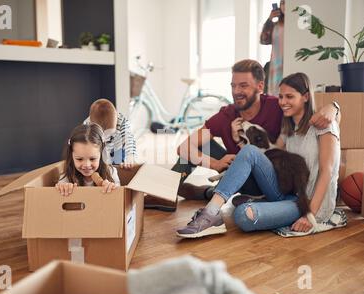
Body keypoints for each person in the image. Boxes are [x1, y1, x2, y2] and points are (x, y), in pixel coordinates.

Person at [144, 59, 339, 212]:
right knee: (201, 146)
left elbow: (311, 108)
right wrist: (215, 163)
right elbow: (184, 148)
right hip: (239, 176)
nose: (237, 91)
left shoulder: (278, 106)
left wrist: (335, 108)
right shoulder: (225, 115)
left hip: (271, 180)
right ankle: (165, 194)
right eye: (233, 85)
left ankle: (207, 193)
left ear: (260, 86)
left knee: (248, 156)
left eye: (243, 85)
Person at [176, 72, 341, 238]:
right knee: (248, 151)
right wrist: (239, 141)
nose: (283, 102)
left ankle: (245, 202)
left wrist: (309, 214)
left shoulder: (324, 125)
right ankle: (210, 212)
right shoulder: (287, 128)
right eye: (281, 97)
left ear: (305, 97)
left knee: (242, 215)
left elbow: (327, 171)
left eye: (289, 97)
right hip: (284, 193)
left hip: (306, 203)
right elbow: (269, 156)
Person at [56, 123, 120, 196]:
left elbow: (120, 196)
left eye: (92, 159)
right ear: (71, 156)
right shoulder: (67, 176)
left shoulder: (111, 173)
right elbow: (58, 195)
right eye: (79, 159)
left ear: (102, 155)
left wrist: (112, 188)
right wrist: (63, 188)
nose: (87, 165)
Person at [84, 99, 137, 169]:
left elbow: (128, 139)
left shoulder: (121, 121)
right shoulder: (87, 126)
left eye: (110, 133)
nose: (107, 138)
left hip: (117, 147)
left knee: (121, 161)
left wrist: (130, 157)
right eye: (103, 135)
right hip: (99, 148)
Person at [260, 0, 285, 96]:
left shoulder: (296, 24)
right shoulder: (276, 25)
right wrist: (270, 19)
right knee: (274, 93)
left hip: (290, 61)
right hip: (276, 63)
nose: (284, 6)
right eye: (282, 3)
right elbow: (264, 40)